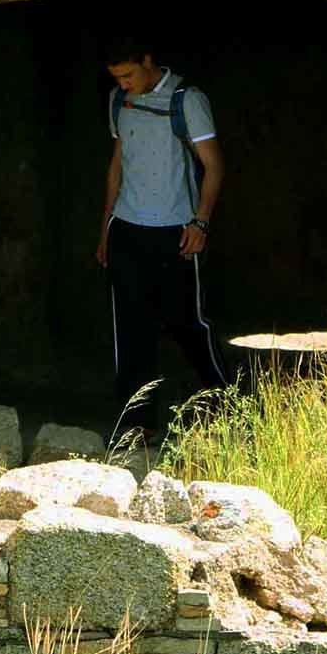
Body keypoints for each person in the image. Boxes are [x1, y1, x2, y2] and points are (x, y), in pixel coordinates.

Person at [95, 38, 229, 437]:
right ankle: (135, 427)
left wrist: (200, 223)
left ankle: (231, 407)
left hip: (175, 230)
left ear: (148, 60)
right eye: (116, 77)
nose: (122, 84)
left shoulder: (187, 99)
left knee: (189, 323)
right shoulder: (119, 101)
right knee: (130, 329)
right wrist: (105, 228)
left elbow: (215, 166)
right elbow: (117, 165)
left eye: (128, 74)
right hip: (127, 229)